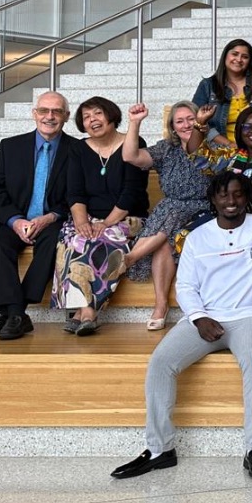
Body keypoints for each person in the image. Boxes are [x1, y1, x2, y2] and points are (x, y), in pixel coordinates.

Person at [111, 176, 252, 481]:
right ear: (213, 201)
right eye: (223, 196)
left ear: (247, 198)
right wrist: (198, 317)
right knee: (160, 362)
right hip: (205, 316)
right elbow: (185, 286)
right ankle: (160, 450)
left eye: (237, 194)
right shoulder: (198, 237)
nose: (230, 201)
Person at [0, 91, 79, 341]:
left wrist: (50, 216)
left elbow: (79, 193)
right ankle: (17, 314)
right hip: (13, 219)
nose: (50, 116)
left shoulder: (78, 150)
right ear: (34, 114)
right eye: (44, 111)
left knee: (53, 241)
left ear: (66, 116)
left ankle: (15, 312)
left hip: (53, 220)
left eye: (57, 111)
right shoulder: (9, 146)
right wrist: (16, 221)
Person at [51, 96, 149, 335]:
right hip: (88, 217)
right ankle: (83, 309)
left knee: (105, 240)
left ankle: (87, 311)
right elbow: (74, 191)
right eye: (86, 117)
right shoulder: (78, 149)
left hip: (127, 218)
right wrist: (82, 221)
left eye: (97, 113)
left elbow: (131, 194)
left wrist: (105, 223)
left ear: (111, 115)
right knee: (74, 238)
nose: (92, 120)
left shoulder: (133, 142)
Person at [121, 102, 212, 331]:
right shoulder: (166, 149)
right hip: (171, 212)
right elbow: (130, 156)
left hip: (204, 210)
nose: (186, 124)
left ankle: (130, 258)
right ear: (172, 127)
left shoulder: (211, 146)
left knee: (171, 209)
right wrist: (135, 122)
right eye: (179, 121)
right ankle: (160, 306)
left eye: (190, 118)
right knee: (164, 243)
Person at [190, 104, 252, 221]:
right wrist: (200, 123)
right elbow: (200, 158)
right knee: (185, 234)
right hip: (234, 216)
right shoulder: (233, 154)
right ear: (240, 130)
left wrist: (243, 211)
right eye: (247, 127)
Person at [191, 39, 252, 146]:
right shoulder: (207, 85)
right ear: (225, 56)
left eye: (245, 57)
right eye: (235, 54)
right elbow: (198, 120)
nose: (239, 59)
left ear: (249, 62)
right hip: (218, 150)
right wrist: (228, 144)